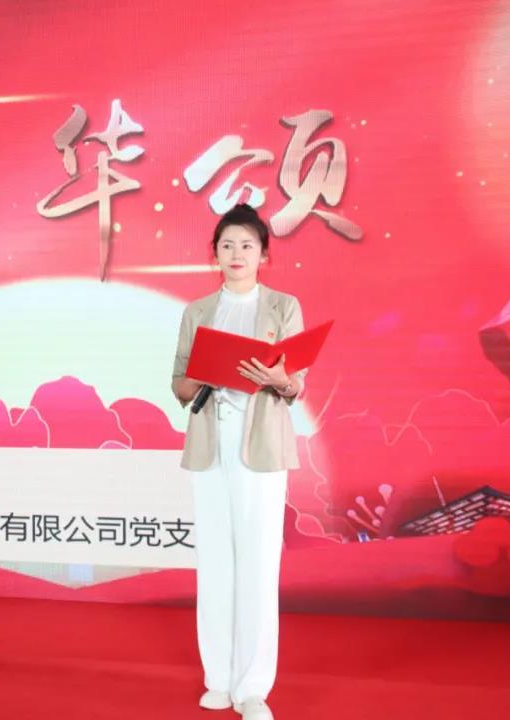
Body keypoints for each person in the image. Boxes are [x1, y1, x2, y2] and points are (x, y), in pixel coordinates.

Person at [171, 204, 306, 720]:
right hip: (210, 444)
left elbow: (295, 384)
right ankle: (219, 679)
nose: (236, 254)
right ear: (214, 253)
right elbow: (179, 385)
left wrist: (279, 380)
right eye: (227, 245)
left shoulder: (283, 307)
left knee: (257, 564)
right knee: (215, 562)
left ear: (263, 254)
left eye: (247, 245)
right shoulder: (198, 312)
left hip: (262, 448)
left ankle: (253, 688)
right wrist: (206, 373)